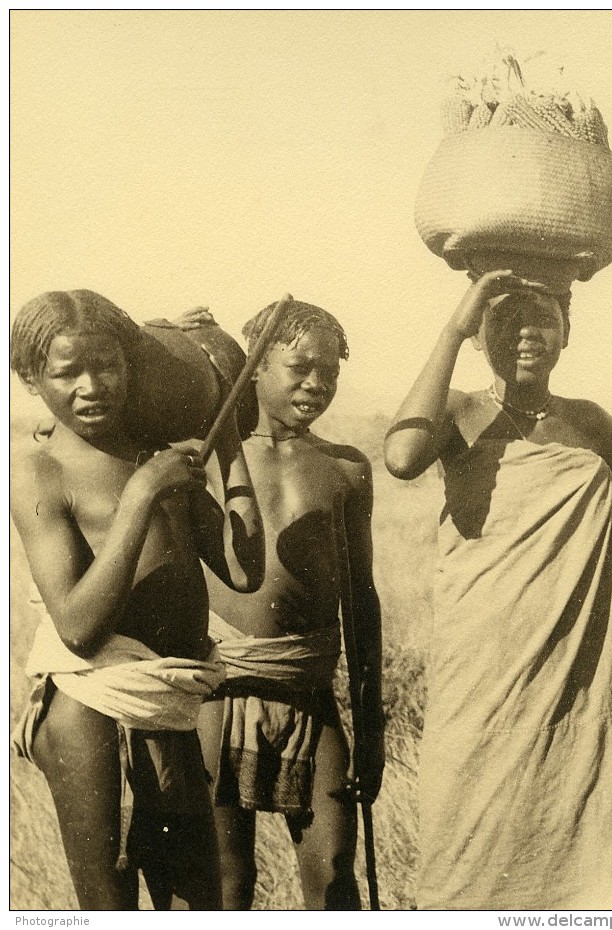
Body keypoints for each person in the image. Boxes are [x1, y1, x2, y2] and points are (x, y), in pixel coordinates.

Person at [384, 270, 612, 910]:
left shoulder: (588, 421)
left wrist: (580, 562)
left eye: (544, 318)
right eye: (505, 319)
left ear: (568, 331)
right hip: (481, 647)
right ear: (480, 335)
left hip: (572, 652)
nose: (527, 333)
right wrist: (454, 326)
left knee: (574, 796)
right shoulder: (459, 410)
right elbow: (401, 459)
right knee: (468, 805)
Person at [10, 289, 264, 910]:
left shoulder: (154, 456)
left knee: (198, 902)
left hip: (168, 706)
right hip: (91, 709)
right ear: (31, 380)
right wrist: (143, 494)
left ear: (133, 366)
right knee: (109, 907)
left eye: (108, 366)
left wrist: (225, 437)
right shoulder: (39, 472)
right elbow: (76, 626)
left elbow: (244, 568)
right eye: (67, 373)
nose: (91, 386)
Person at [191, 299, 384, 910]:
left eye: (329, 370)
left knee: (331, 870)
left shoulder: (346, 469)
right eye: (300, 366)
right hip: (218, 690)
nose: (317, 383)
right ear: (254, 367)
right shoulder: (206, 462)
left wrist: (370, 727)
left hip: (307, 689)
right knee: (226, 881)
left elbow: (361, 601)